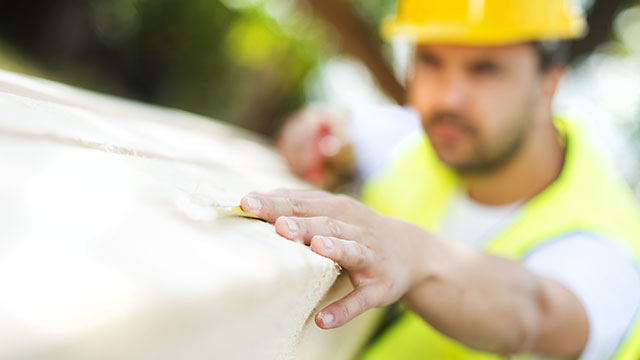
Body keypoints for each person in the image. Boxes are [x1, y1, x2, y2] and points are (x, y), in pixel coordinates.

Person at [241, 1, 640, 358]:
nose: (449, 98)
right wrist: (318, 139)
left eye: (485, 70)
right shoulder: (416, 141)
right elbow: (335, 132)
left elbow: (538, 312)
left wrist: (416, 255)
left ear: (548, 85)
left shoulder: (606, 244)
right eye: (430, 60)